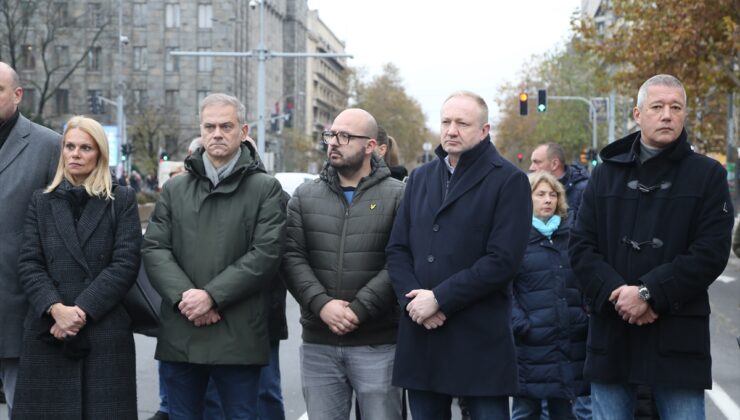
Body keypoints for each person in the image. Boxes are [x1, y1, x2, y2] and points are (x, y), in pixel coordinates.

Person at [569, 74, 734, 419]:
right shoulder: (605, 174)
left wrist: (647, 293)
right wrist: (619, 293)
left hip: (678, 332)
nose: (667, 115)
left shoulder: (708, 175)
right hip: (613, 331)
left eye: (676, 107)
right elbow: (581, 246)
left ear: (685, 114)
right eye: (657, 107)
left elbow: (711, 253)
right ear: (637, 114)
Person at [386, 91, 531, 419]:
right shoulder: (421, 177)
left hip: (478, 338)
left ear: (484, 130)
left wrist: (439, 299)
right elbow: (397, 249)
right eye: (446, 122)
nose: (451, 130)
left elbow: (503, 260)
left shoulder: (509, 180)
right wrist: (413, 303)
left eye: (462, 123)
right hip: (422, 332)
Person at [142, 93, 285, 419]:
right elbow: (154, 248)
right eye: (210, 126)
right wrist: (187, 298)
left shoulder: (265, 188)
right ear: (201, 130)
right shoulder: (176, 189)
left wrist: (211, 297)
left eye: (226, 126)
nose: (217, 133)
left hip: (239, 335)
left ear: (243, 131)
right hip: (183, 331)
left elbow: (265, 255)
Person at [14, 115, 141, 418]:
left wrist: (80, 311)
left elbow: (125, 263)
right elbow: (30, 262)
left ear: (99, 154)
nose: (75, 154)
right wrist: (56, 308)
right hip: (50, 329)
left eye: (85, 147)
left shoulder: (120, 199)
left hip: (102, 329)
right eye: (70, 146)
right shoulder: (41, 201)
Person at [283, 108, 405, 420]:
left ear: (370, 146)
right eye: (331, 135)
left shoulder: (399, 195)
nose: (334, 142)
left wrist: (359, 308)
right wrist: (322, 305)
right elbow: (292, 257)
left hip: (377, 342)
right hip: (319, 343)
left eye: (345, 136)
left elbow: (402, 260)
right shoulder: (305, 196)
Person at [0, 61, 61, 417]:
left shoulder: (48, 146)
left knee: (26, 410)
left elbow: (63, 233)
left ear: (18, 95)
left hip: (21, 309)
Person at [510, 171, 588, 420]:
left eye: (553, 194)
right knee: (526, 410)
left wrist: (583, 316)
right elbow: (504, 288)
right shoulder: (515, 237)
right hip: (530, 342)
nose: (548, 200)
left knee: (564, 410)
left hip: (568, 339)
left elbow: (584, 281)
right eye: (540, 194)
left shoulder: (570, 235)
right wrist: (520, 323)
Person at [529, 143, 589, 224]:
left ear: (554, 164)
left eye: (537, 162)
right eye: (541, 194)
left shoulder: (584, 190)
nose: (531, 168)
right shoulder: (529, 186)